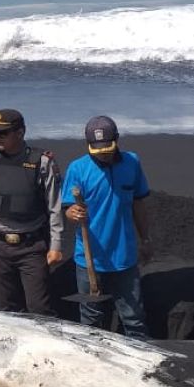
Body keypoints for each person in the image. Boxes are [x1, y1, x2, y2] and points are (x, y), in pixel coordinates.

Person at [0, 109, 64, 315]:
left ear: (20, 132)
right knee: (6, 309)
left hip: (32, 246)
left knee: (39, 308)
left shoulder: (42, 162)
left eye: (3, 133)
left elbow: (55, 207)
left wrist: (56, 245)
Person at [61, 115, 152, 340]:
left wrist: (145, 239)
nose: (104, 155)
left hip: (124, 258)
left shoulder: (132, 162)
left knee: (134, 318)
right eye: (97, 150)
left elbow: (138, 204)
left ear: (117, 140)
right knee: (91, 321)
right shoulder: (78, 168)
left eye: (107, 149)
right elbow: (68, 208)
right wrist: (72, 213)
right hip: (89, 258)